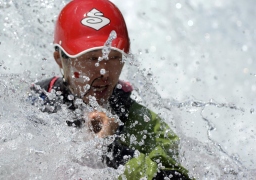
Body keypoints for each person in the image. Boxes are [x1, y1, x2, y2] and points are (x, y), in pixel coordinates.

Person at [30, 0, 192, 179]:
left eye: (114, 57)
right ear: (60, 60)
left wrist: (111, 151)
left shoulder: (143, 123)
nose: (104, 71)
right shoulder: (34, 107)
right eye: (91, 59)